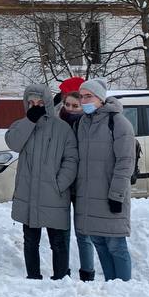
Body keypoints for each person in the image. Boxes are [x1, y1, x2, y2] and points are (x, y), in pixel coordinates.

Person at [6, 83, 79, 280]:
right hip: (28, 194)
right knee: (30, 240)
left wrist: (59, 184)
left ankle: (61, 277)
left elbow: (71, 159)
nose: (35, 106)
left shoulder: (62, 129)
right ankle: (33, 277)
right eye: (31, 103)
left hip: (54, 194)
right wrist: (29, 122)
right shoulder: (22, 125)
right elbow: (12, 143)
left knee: (58, 242)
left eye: (39, 102)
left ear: (47, 103)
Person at [74, 78, 136, 281]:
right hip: (89, 197)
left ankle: (124, 287)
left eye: (88, 96)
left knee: (116, 245)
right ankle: (112, 286)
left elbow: (125, 162)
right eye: (81, 97)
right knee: (99, 242)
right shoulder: (83, 122)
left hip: (111, 195)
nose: (84, 101)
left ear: (100, 98)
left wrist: (117, 195)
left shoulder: (118, 122)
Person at [57, 86, 95, 280]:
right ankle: (62, 271)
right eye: (68, 104)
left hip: (82, 185)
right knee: (62, 231)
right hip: (61, 185)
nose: (71, 109)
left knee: (83, 232)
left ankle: (87, 272)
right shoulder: (57, 123)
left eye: (76, 105)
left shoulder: (88, 124)